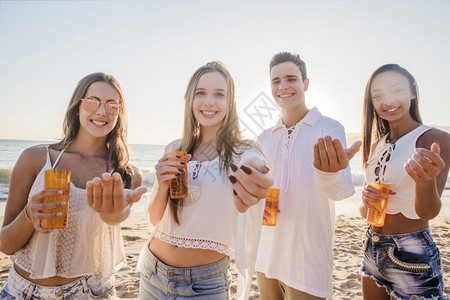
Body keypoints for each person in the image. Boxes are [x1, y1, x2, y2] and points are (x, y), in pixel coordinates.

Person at [0, 72, 147, 299]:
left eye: (111, 105)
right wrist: (29, 214)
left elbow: (116, 217)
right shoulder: (36, 158)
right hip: (23, 292)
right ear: (77, 106)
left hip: (91, 292)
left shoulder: (125, 174)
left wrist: (115, 212)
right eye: (92, 101)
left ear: (119, 113)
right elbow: (6, 245)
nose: (100, 111)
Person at [138, 61, 273, 299]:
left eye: (219, 94)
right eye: (201, 93)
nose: (209, 101)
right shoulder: (175, 148)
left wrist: (259, 176)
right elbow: (155, 217)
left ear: (230, 102)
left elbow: (258, 166)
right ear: (191, 99)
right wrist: (160, 186)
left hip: (204, 285)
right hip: (153, 275)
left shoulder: (243, 151)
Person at [255, 51, 361, 300]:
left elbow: (341, 192)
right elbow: (258, 192)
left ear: (306, 83)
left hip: (307, 257)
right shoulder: (264, 137)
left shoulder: (329, 128)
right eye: (276, 81)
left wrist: (331, 173)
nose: (283, 86)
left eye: (291, 78)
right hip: (267, 252)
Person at [359, 64, 449, 299]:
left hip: (411, 253)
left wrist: (425, 181)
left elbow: (428, 212)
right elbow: (364, 210)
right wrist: (365, 200)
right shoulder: (377, 145)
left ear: (412, 92)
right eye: (377, 95)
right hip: (372, 248)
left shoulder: (436, 139)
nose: (387, 101)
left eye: (396, 90)